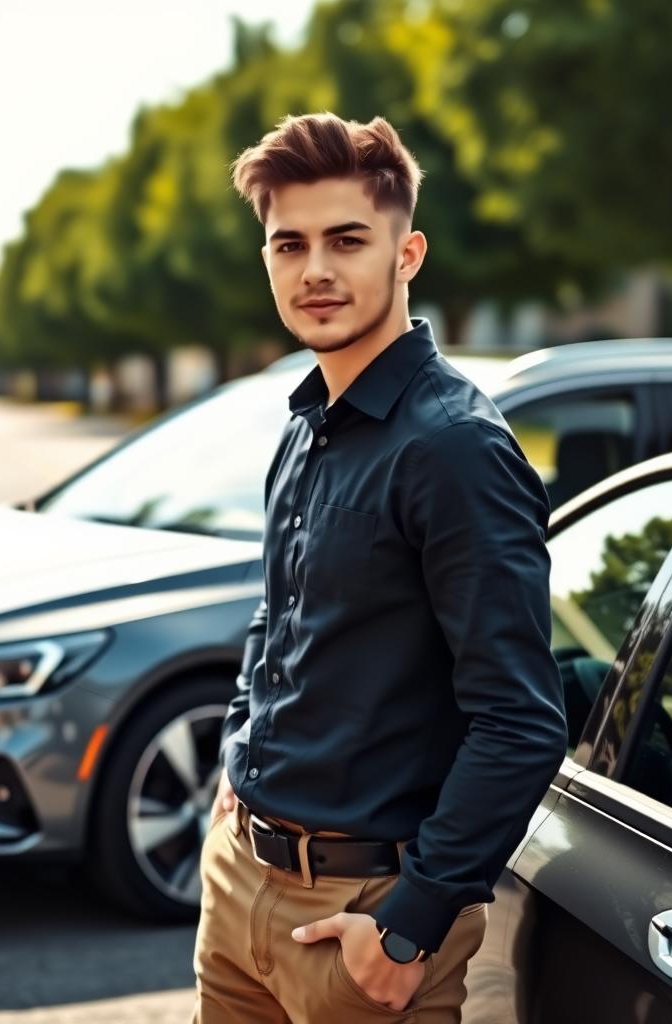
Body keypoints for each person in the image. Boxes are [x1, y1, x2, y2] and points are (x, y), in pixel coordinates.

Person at [191, 111, 567, 1023]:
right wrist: (237, 763)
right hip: (239, 883)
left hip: (362, 920)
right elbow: (278, 618)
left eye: (347, 240)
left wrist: (409, 928)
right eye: (290, 244)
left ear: (407, 254)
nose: (315, 269)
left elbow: (520, 721)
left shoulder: (455, 449)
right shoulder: (305, 426)